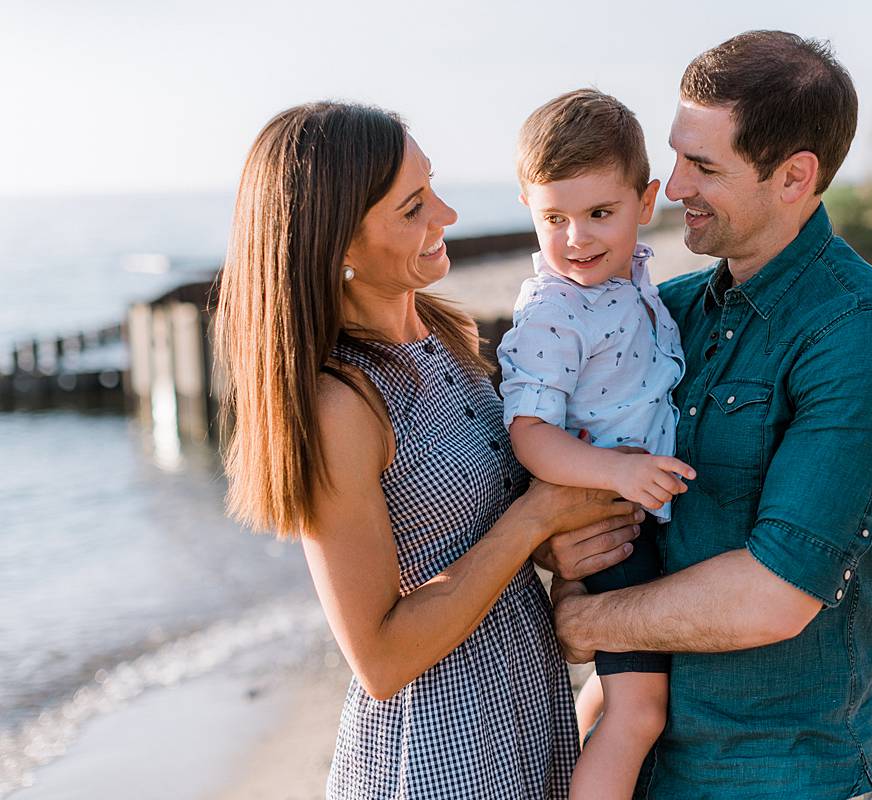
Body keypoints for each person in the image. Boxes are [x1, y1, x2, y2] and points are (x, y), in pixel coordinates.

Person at [541, 32, 872, 800]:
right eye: (677, 153)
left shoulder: (865, 337)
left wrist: (586, 626)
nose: (671, 183)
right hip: (648, 771)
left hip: (786, 776)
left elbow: (775, 595)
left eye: (705, 166)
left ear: (794, 177)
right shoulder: (666, 316)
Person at [212, 101, 643, 800]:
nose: (445, 216)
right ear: (339, 245)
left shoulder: (446, 336)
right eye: (412, 208)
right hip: (441, 754)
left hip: (526, 714)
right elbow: (378, 660)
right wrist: (534, 523)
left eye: (432, 186)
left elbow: (478, 524)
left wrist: (554, 544)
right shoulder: (341, 405)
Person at [498, 89, 695, 800]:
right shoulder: (554, 311)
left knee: (620, 700)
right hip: (608, 518)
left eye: (598, 214)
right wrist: (617, 472)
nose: (576, 238)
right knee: (641, 712)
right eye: (554, 218)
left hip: (634, 508)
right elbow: (530, 435)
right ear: (528, 206)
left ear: (645, 203)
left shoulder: (629, 280)